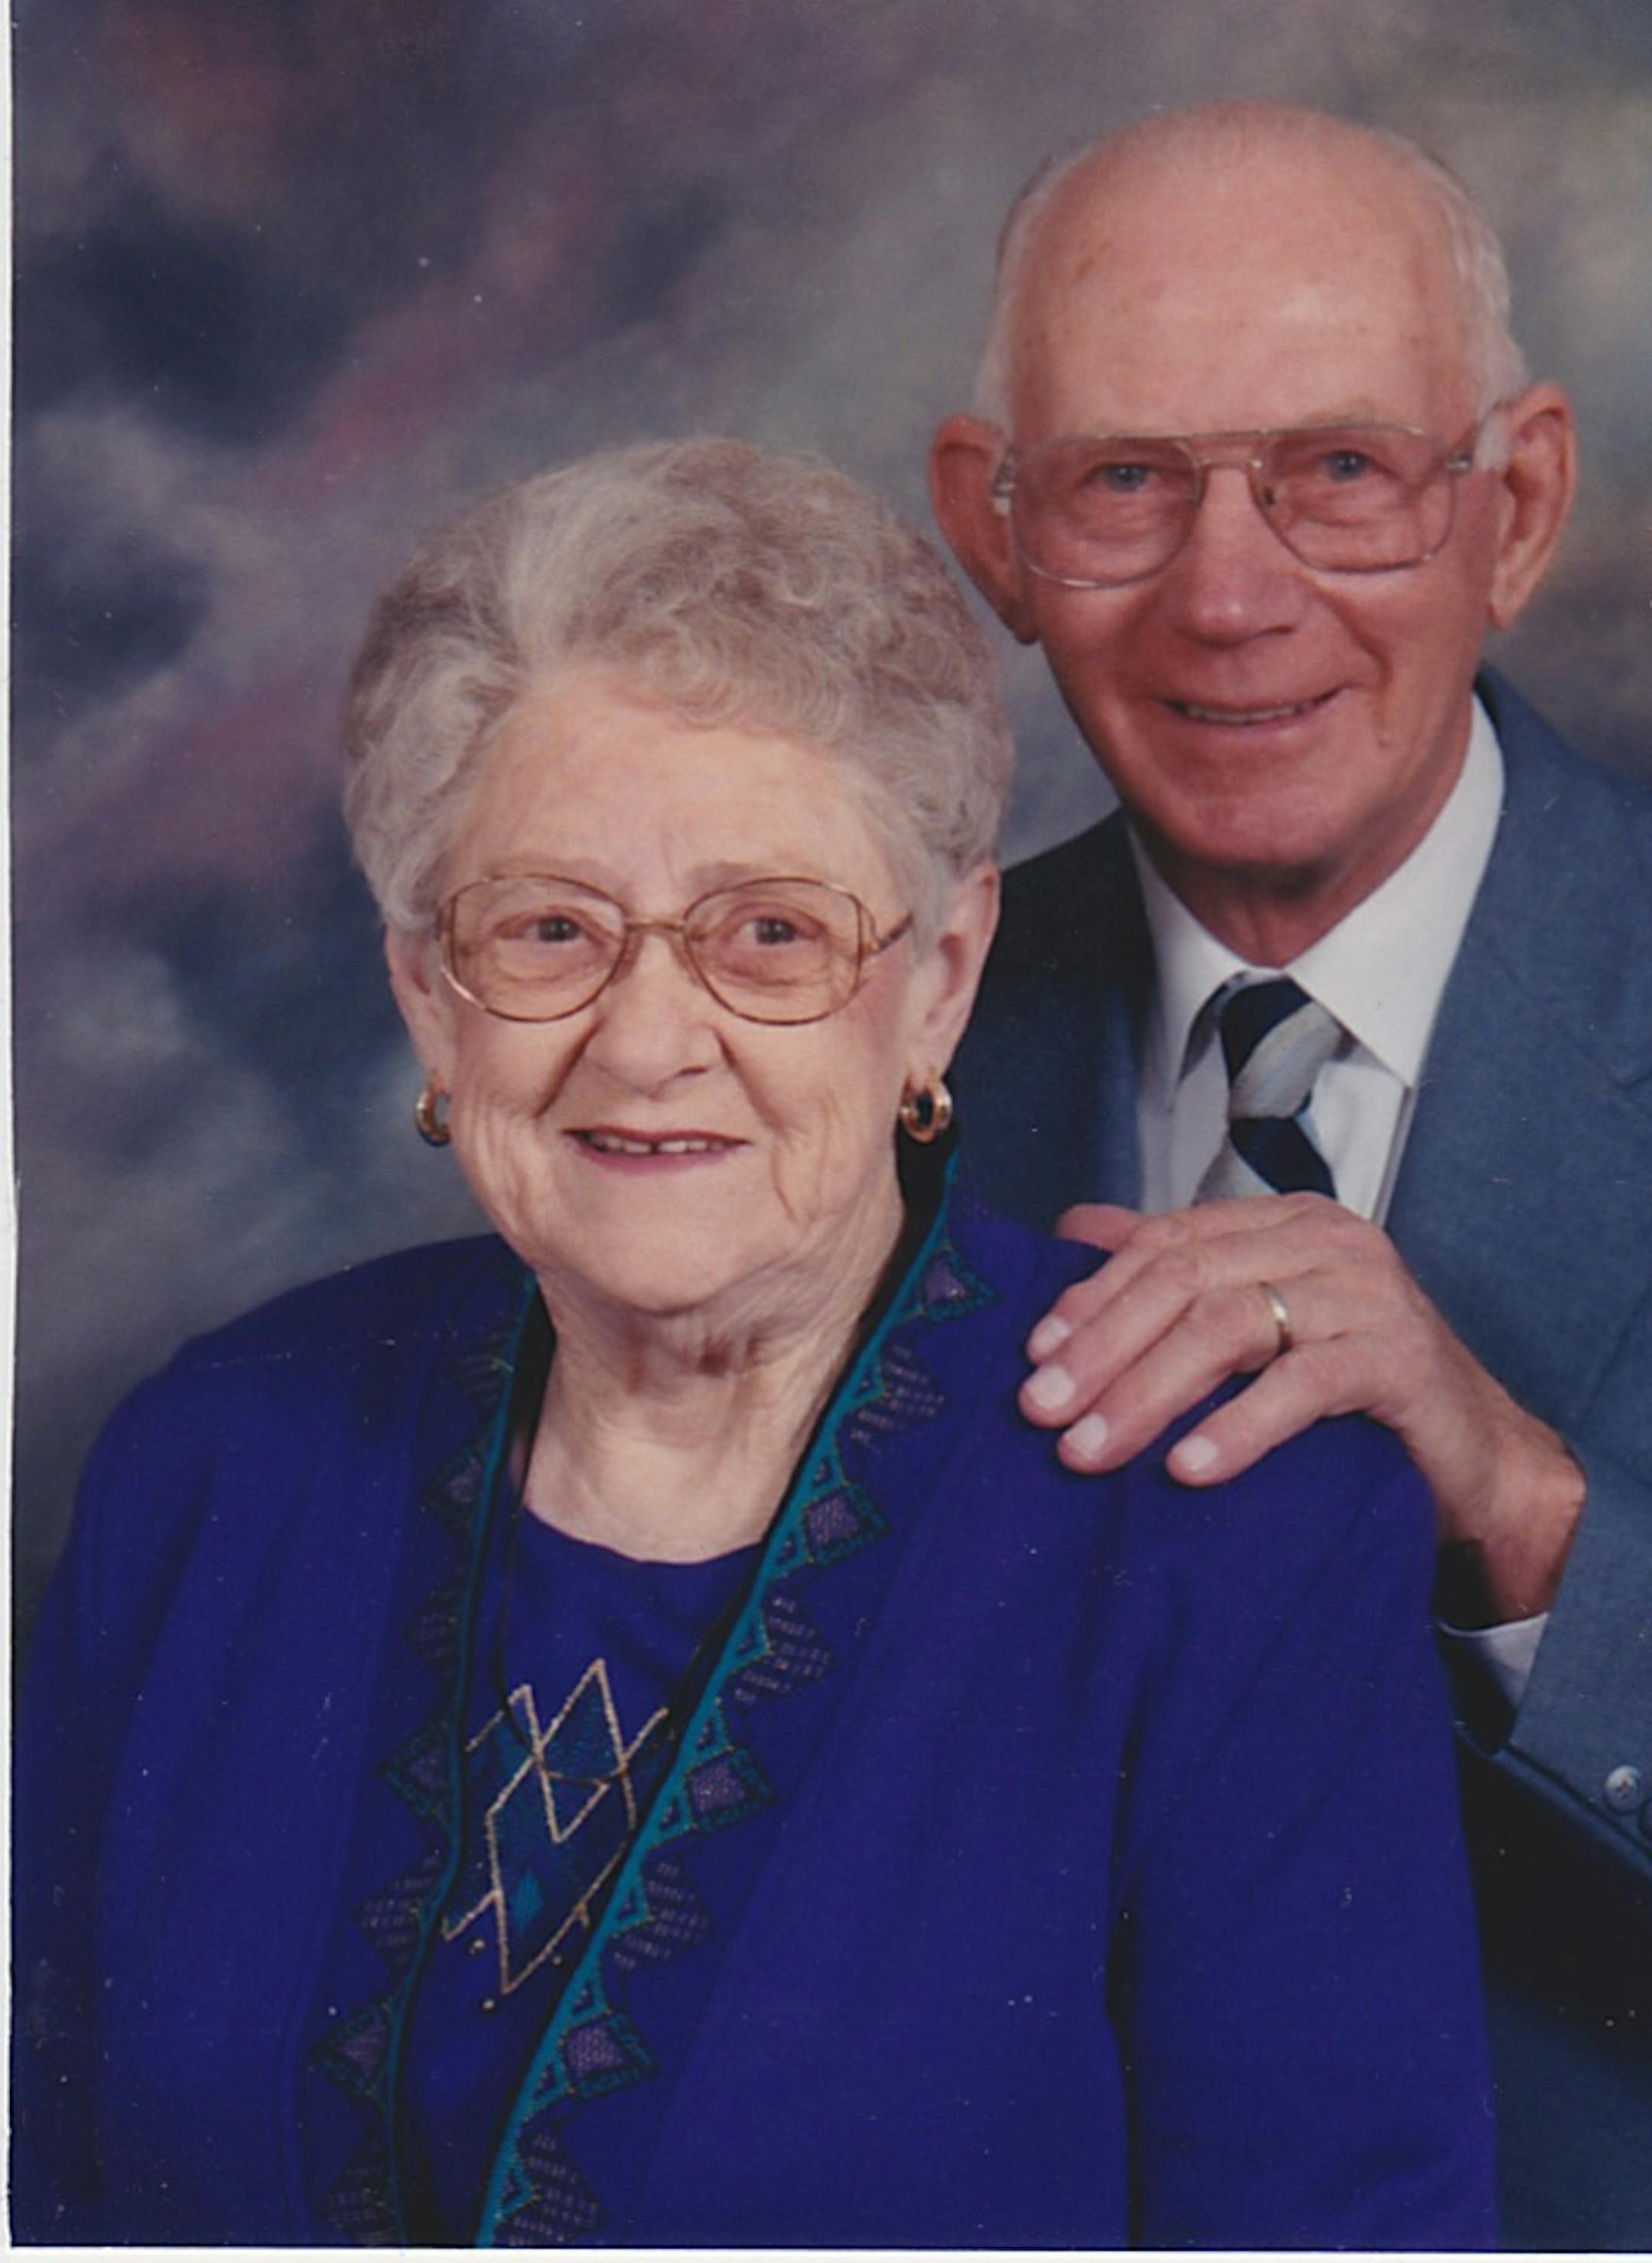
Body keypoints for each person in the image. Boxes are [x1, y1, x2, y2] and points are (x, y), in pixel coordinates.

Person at [11, 438, 1495, 2248]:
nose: (650, 1040)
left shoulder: (1225, 1532)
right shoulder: (214, 1459)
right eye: (548, 928)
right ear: (426, 990)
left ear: (938, 978)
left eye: (769, 935)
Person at [930, 101, 1652, 2248]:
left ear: (1513, 509)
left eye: (1340, 470)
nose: (1229, 597)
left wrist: (1520, 1513)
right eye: (1128, 483)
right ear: (996, 531)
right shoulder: (864, 1043)